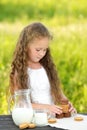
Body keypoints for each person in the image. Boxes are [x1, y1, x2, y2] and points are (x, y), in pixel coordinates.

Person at [9, 22, 76, 116]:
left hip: (52, 118)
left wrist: (67, 104)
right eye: (38, 50)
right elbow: (21, 104)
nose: (42, 54)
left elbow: (59, 95)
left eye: (45, 50)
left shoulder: (47, 68)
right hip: (33, 118)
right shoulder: (20, 71)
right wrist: (47, 107)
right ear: (25, 47)